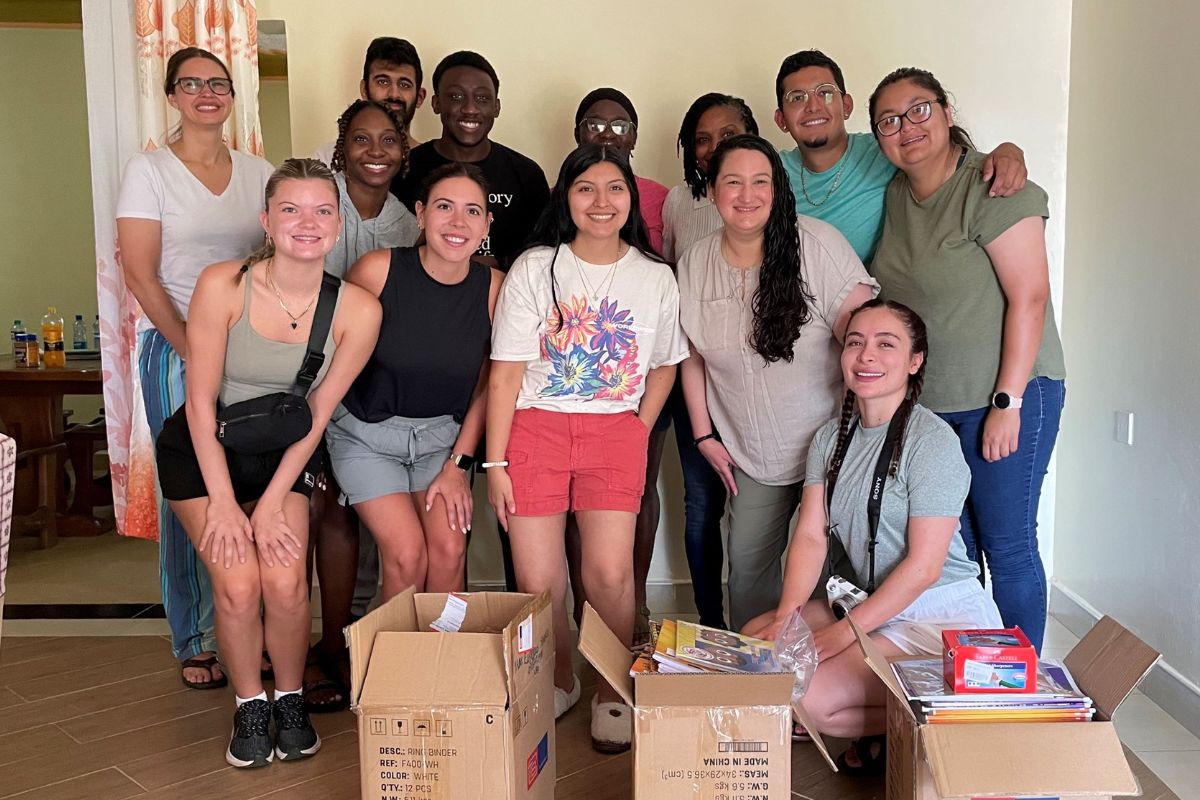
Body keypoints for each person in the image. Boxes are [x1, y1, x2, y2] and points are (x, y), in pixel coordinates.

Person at [154, 158, 380, 767]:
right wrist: (226, 504)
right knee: (237, 582)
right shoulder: (223, 284)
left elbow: (319, 413)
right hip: (203, 455)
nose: (307, 223)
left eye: (322, 210)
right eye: (291, 209)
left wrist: (276, 500)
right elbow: (199, 404)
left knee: (284, 583)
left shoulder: (358, 310)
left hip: (285, 458)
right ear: (266, 220)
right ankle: (249, 705)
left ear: (337, 224)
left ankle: (288, 698)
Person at [743, 299, 1002, 776]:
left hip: (937, 610)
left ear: (914, 361)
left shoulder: (932, 440)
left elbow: (924, 568)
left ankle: (940, 726)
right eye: (856, 342)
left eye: (887, 344)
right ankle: (888, 733)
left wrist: (841, 635)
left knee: (811, 695)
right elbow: (810, 538)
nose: (867, 356)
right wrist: (788, 616)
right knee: (754, 646)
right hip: (868, 597)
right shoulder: (830, 439)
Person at [486, 144, 686, 752]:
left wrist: (636, 427)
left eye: (615, 188)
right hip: (536, 428)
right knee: (538, 576)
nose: (601, 202)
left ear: (632, 198)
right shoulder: (534, 266)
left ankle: (608, 688)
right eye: (586, 188)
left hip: (614, 431)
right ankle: (558, 677)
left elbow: (665, 366)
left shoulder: (655, 276)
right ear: (565, 197)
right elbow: (505, 373)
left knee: (609, 573)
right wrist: (494, 463)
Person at [867, 67, 1066, 651]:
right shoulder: (897, 195)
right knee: (958, 553)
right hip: (936, 407)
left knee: (1007, 546)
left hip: (1003, 396)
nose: (907, 128)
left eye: (920, 110)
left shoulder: (994, 188)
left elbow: (1030, 297)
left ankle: (1022, 692)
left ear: (948, 111)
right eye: (889, 121)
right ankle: (973, 683)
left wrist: (1008, 402)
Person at [117, 47, 275, 692]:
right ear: (173, 95)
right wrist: (190, 347)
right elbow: (140, 273)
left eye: (219, 83)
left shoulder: (258, 171)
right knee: (191, 489)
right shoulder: (149, 170)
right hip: (176, 347)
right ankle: (196, 634)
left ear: (233, 94)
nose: (207, 93)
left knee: (248, 488)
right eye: (193, 84)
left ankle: (248, 627)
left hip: (251, 354)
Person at [677, 134, 877, 631]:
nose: (747, 195)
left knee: (828, 574)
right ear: (712, 189)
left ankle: (823, 678)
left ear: (778, 187)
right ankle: (757, 679)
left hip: (829, 444)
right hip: (752, 451)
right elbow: (692, 356)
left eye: (760, 181)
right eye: (733, 182)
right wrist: (704, 435)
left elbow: (862, 347)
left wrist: (861, 439)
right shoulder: (694, 264)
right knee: (746, 571)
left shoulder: (817, 243)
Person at [326, 163, 502, 602]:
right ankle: (390, 670)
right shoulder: (377, 271)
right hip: (366, 435)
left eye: (472, 211)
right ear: (420, 215)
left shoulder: (495, 288)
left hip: (442, 442)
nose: (458, 222)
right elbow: (332, 362)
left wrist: (459, 465)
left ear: (487, 224)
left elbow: (489, 384)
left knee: (447, 552)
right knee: (407, 556)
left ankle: (433, 667)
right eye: (444, 207)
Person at [303, 98, 419, 712]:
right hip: (309, 380)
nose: (374, 151)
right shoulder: (319, 205)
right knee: (325, 513)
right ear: (341, 145)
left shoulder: (408, 223)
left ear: (404, 150)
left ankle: (360, 642)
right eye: (360, 139)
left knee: (368, 519)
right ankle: (323, 646)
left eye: (387, 140)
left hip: (373, 393)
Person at [565, 87, 670, 644]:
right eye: (595, 124)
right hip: (570, 387)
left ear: (635, 134)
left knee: (635, 491)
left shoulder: (661, 197)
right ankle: (589, 611)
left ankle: (632, 605)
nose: (607, 134)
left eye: (619, 125)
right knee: (578, 500)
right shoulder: (565, 199)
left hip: (641, 374)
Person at [773, 49, 1027, 264]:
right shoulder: (770, 172)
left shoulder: (886, 148)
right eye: (797, 98)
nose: (813, 106)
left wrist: (1007, 151)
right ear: (781, 120)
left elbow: (943, 159)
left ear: (847, 106)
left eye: (825, 93)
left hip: (872, 311)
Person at [660, 93, 759, 628]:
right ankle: (709, 622)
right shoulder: (678, 202)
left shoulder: (769, 190)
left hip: (758, 381)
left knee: (759, 505)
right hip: (694, 375)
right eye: (702, 138)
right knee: (701, 505)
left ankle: (761, 621)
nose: (715, 146)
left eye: (728, 133)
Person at [391, 50, 550, 270]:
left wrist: (498, 264)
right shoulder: (406, 168)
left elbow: (543, 249)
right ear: (436, 103)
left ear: (496, 107)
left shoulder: (526, 175)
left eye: (482, 98)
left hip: (504, 295)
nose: (470, 108)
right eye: (456, 97)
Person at [313, 37, 426, 165]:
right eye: (383, 82)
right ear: (364, 90)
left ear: (420, 97)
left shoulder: (433, 164)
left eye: (404, 85)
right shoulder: (328, 159)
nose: (394, 94)